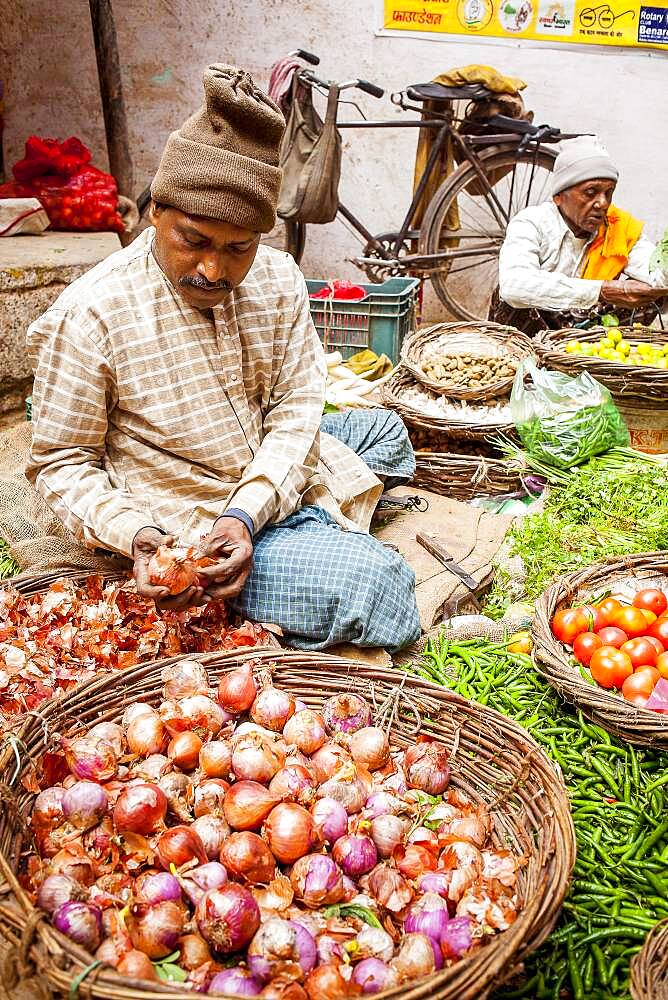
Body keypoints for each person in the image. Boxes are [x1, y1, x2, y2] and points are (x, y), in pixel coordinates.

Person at [25, 65, 421, 653]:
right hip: (194, 528)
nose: (213, 270)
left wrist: (251, 510)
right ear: (155, 210)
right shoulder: (90, 316)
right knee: (380, 589)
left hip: (261, 483)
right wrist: (140, 537)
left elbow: (296, 408)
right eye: (193, 241)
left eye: (238, 249)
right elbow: (60, 464)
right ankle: (309, 546)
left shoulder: (279, 278)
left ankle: (312, 525)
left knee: (384, 428)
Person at [496, 136, 668, 334]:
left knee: (646, 295)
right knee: (516, 296)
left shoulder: (619, 227)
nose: (602, 203)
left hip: (585, 334)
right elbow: (513, 285)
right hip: (534, 331)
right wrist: (602, 290)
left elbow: (657, 276)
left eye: (608, 193)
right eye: (590, 192)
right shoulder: (532, 222)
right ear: (559, 197)